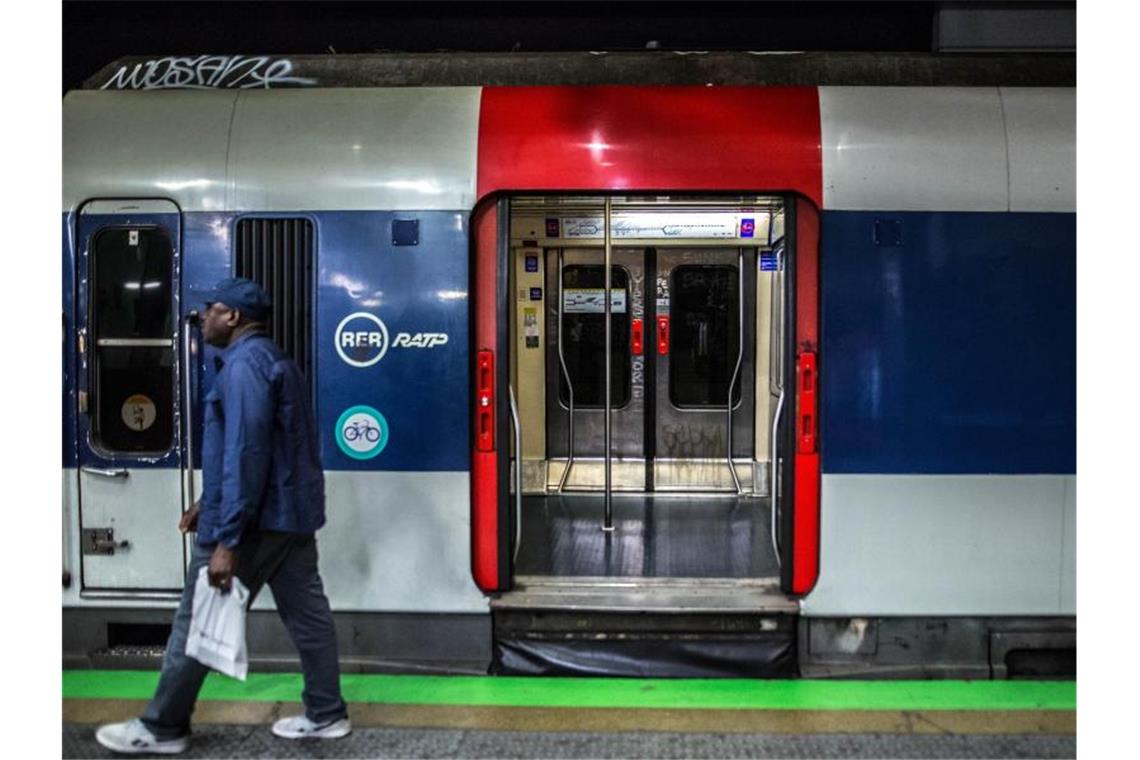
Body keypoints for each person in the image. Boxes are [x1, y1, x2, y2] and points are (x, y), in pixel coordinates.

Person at [96, 278, 350, 754]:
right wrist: (206, 502)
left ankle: (163, 727)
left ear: (232, 316)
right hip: (289, 518)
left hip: (252, 524)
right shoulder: (274, 361)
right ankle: (326, 713)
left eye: (208, 310)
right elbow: (265, 451)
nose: (201, 319)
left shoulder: (242, 369)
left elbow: (246, 452)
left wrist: (227, 537)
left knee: (198, 619)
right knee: (309, 617)